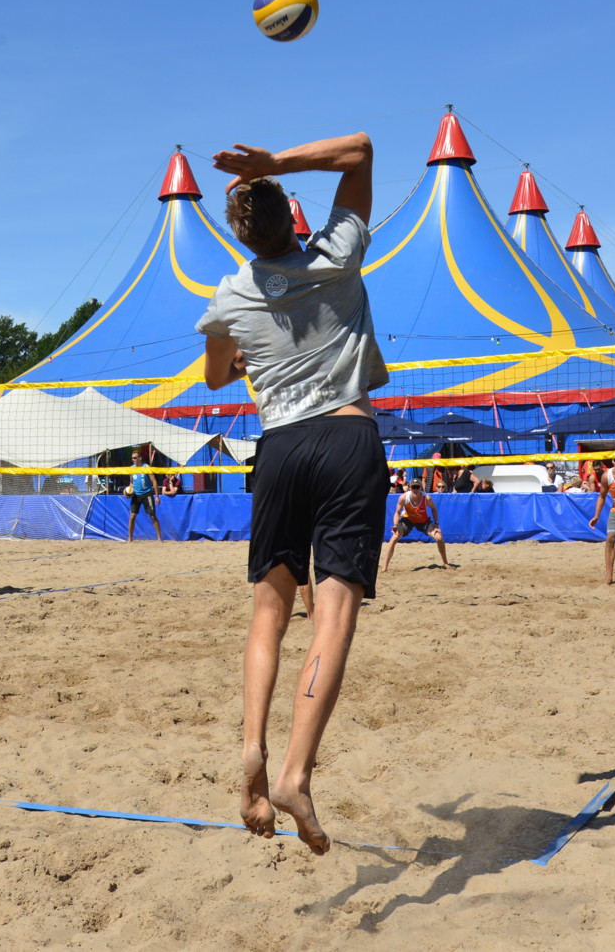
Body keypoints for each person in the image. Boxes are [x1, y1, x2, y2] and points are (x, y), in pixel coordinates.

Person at [198, 131, 384, 856]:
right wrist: (271, 163)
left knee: (267, 617)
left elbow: (216, 377)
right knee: (332, 617)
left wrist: (245, 346)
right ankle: (295, 773)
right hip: (345, 437)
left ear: (239, 232)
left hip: (278, 447)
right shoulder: (336, 254)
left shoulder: (230, 294)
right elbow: (361, 150)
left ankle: (252, 746)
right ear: (295, 220)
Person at [384, 482, 452, 572]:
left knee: (439, 537)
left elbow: (434, 509)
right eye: (413, 487)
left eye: (417, 487)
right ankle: (385, 567)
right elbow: (397, 513)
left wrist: (436, 524)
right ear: (409, 488)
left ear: (421, 488)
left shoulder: (426, 498)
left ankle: (445, 563)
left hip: (423, 521)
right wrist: (396, 525)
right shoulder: (404, 497)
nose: (415, 490)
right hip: (407, 520)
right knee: (394, 538)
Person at [126, 442, 164, 541]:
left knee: (152, 516)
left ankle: (159, 538)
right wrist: (129, 492)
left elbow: (154, 481)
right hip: (136, 495)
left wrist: (157, 496)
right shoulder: (131, 469)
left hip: (147, 493)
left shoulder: (146, 467)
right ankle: (130, 539)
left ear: (140, 458)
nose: (133, 460)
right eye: (132, 458)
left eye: (135, 458)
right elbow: (131, 483)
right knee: (132, 516)